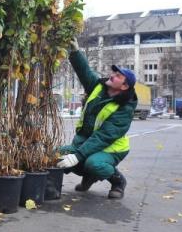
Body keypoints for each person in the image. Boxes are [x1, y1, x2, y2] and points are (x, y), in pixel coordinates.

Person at [57, 38, 137, 199]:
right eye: (114, 72)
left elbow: (104, 137)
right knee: (59, 154)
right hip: (86, 141)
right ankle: (89, 177)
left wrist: (78, 156)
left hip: (111, 148)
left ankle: (118, 182)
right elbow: (84, 71)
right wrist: (75, 52)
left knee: (93, 163)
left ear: (124, 86)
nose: (112, 75)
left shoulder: (124, 108)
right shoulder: (98, 86)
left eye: (118, 75)